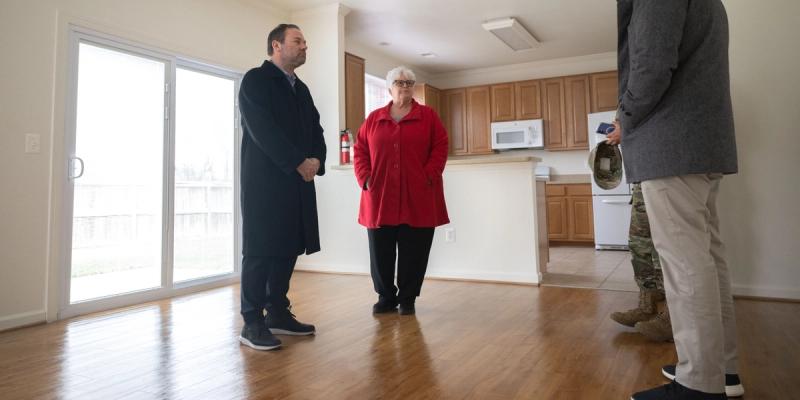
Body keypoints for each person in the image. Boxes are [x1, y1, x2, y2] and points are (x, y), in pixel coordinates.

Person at [616, 1, 744, 399]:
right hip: (701, 143)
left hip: (671, 146)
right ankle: (720, 370)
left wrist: (625, 117)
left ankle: (698, 384)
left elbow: (651, 64)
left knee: (686, 264)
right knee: (706, 259)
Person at [237, 23, 326, 351]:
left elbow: (316, 128)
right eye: (298, 41)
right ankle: (252, 321)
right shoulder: (255, 81)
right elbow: (263, 130)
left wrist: (316, 158)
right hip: (265, 183)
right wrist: (298, 162)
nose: (305, 46)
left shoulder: (300, 90)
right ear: (276, 45)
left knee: (289, 246)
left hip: (298, 182)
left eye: (305, 41)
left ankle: (277, 311)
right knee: (261, 250)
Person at [353, 66, 449, 316]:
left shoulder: (428, 116)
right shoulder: (373, 119)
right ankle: (385, 297)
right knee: (381, 250)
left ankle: (408, 298)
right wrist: (364, 178)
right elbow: (360, 149)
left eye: (409, 82)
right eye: (399, 82)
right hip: (379, 194)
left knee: (414, 249)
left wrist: (429, 175)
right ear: (389, 88)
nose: (405, 86)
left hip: (418, 194)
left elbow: (440, 147)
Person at [606, 130, 672, 342]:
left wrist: (624, 129)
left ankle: (672, 318)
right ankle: (646, 306)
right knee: (639, 243)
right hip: (642, 174)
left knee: (666, 249)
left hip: (664, 168)